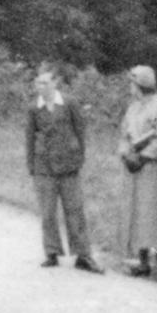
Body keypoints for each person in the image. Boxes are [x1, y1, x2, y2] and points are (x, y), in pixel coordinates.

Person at [26, 63, 101, 272]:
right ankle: (52, 252)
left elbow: (80, 131)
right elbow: (30, 138)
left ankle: (83, 255)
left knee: (75, 211)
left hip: (69, 166)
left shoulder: (69, 103)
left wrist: (78, 158)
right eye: (38, 83)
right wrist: (32, 165)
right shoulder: (34, 108)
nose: (41, 86)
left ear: (54, 83)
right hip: (44, 167)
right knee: (48, 212)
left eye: (45, 82)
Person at [117, 65, 157, 277]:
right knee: (137, 213)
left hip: (150, 168)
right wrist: (126, 155)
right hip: (133, 168)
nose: (130, 87)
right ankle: (142, 260)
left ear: (141, 84)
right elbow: (124, 133)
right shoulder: (133, 107)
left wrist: (143, 157)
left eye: (133, 83)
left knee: (153, 213)